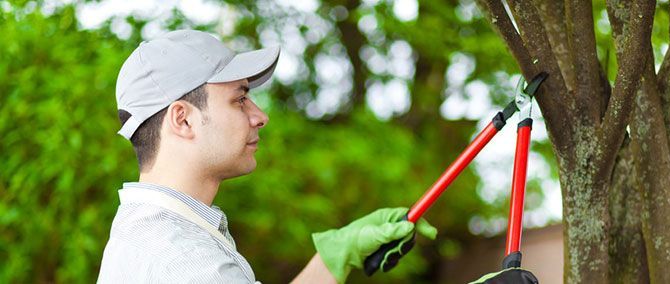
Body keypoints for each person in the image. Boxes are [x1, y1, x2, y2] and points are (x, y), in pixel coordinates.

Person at [97, 29, 538, 284]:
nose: (260, 116)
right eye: (239, 99)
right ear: (183, 120)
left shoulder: (158, 233)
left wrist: (332, 258)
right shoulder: (183, 260)